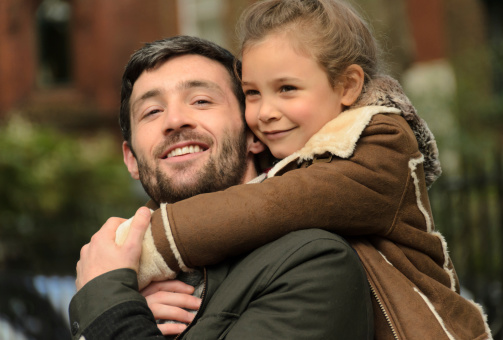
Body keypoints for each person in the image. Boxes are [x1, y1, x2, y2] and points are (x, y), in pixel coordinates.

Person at [110, 0, 493, 339]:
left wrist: (127, 260)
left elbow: (273, 204)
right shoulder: (288, 158)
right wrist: (130, 300)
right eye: (253, 94)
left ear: (347, 86)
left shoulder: (381, 146)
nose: (266, 112)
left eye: (287, 89)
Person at [69, 35, 373, 339]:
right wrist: (131, 313)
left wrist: (108, 307)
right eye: (152, 111)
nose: (174, 120)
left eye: (201, 101)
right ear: (131, 159)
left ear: (254, 135)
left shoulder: (314, 262)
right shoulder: (128, 283)